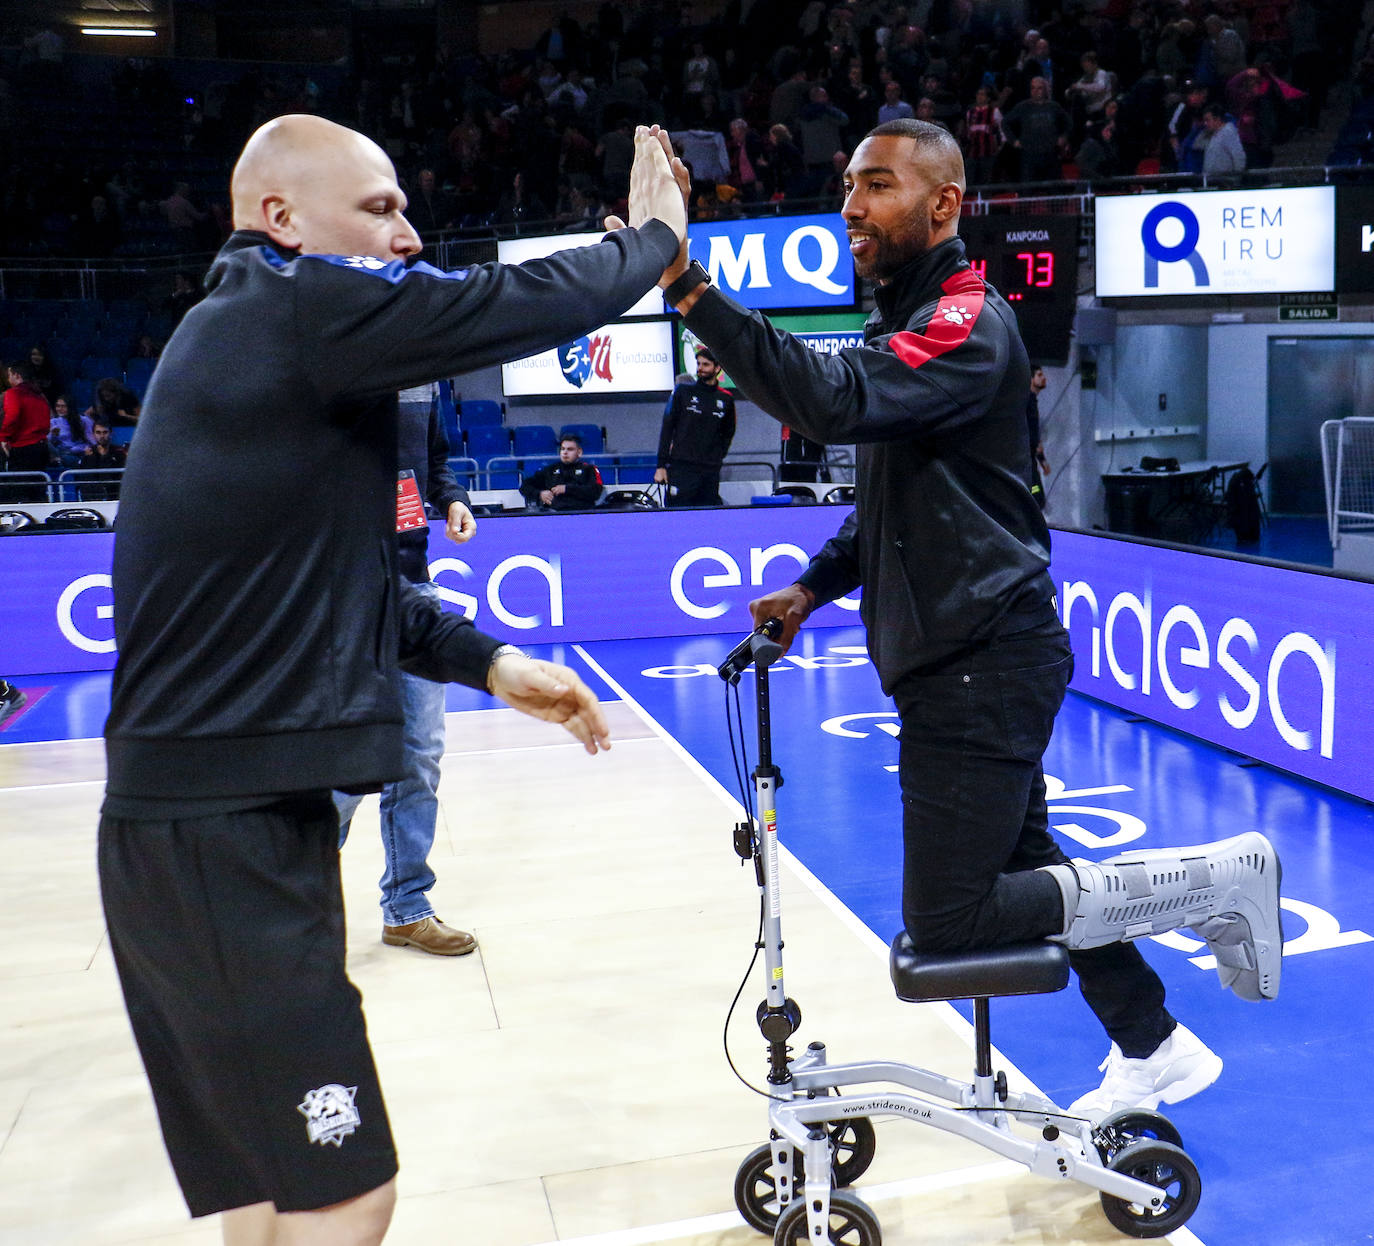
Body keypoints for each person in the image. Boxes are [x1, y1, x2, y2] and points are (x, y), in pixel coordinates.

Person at [97, 113, 684, 1245]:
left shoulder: (257, 334)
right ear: (281, 219)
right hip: (220, 836)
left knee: (278, 1191)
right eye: (379, 208)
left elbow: (341, 582)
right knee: (348, 1189)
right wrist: (656, 240)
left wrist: (491, 661)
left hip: (209, 830)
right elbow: (510, 304)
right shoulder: (290, 309)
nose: (410, 236)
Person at [655, 118, 1282, 1122]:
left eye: (880, 186)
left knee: (948, 924)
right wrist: (814, 586)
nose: (853, 205)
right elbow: (893, 500)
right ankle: (1153, 1042)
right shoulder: (908, 318)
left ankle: (1212, 883)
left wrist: (691, 287)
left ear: (944, 204)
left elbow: (821, 397)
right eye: (849, 185)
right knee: (1027, 861)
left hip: (981, 661)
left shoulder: (963, 321)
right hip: (967, 657)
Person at [335, 405, 479, 955]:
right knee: (346, 761)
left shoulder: (424, 379)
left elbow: (432, 463)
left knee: (420, 755)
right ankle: (293, 894)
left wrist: (451, 499)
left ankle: (407, 908)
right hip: (342, 593)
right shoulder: (329, 360)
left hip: (414, 585)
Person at [654, 343, 735, 507]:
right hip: (681, 467)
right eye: (699, 364)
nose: (701, 368)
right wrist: (661, 466)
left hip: (710, 470)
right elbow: (667, 428)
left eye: (706, 364)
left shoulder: (726, 399)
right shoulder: (682, 392)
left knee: (708, 517)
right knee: (677, 516)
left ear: (717, 368)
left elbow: (728, 432)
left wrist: (717, 457)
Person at [2, 360, 52, 493]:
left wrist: (4, 437)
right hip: (41, 447)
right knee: (38, 491)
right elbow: (47, 421)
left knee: (19, 490)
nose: (8, 379)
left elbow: (13, 414)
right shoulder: (40, 395)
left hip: (23, 448)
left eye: (9, 375)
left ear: (17, 375)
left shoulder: (14, 393)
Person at [520, 432, 604, 510]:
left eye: (570, 449)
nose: (565, 452)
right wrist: (540, 494)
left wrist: (567, 489)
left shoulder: (589, 469)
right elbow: (524, 486)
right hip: (554, 515)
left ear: (579, 452)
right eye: (563, 449)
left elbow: (595, 492)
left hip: (582, 513)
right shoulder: (550, 470)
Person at [1026, 365, 1051, 508]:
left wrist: (1042, 461)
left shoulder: (1032, 401)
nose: (1044, 378)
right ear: (1031, 379)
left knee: (1037, 497)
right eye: (1039, 375)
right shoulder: (1026, 402)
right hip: (1025, 461)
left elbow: (1034, 436)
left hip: (1031, 460)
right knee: (1036, 497)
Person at [48, 394, 95, 467]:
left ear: (70, 407)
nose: (60, 409)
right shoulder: (53, 422)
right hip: (61, 453)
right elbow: (51, 443)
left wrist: (76, 449)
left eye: (63, 406)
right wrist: (53, 435)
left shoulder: (84, 420)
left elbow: (92, 441)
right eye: (58, 406)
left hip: (79, 452)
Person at [1200, 103, 1246, 175]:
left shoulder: (1228, 132)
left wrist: (1236, 177)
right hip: (1212, 179)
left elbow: (1238, 156)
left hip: (1226, 181)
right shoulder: (1213, 134)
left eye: (1207, 120)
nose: (1205, 123)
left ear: (1217, 119)